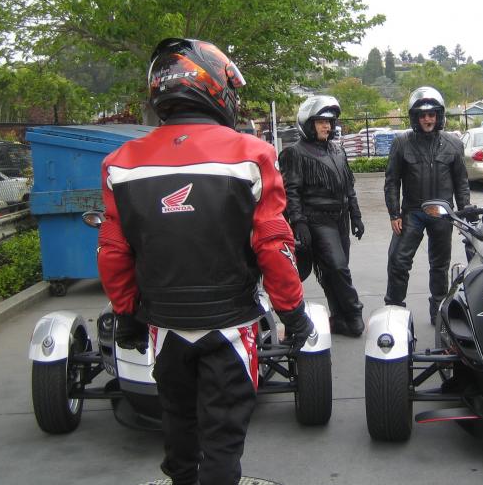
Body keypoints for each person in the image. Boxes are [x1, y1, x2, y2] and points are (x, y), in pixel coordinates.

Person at [97, 38, 314, 485]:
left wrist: (127, 316)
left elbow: (114, 253)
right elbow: (274, 245)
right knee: (223, 436)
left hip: (164, 324)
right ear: (214, 85)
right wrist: (293, 313)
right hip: (230, 323)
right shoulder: (251, 153)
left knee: (178, 426)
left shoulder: (120, 163)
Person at [279, 95, 366, 337]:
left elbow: (349, 186)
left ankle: (340, 319)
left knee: (335, 272)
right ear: (308, 123)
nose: (327, 126)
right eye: (320, 121)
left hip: (341, 219)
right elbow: (291, 192)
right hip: (316, 220)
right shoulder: (294, 153)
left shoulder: (338, 151)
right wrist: (298, 223)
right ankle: (354, 313)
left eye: (330, 121)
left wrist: (356, 216)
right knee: (338, 268)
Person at [384, 86, 471, 325]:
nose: (427, 119)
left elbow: (461, 183)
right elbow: (392, 181)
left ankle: (439, 311)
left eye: (432, 114)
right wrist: (394, 212)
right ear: (415, 117)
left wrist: (464, 215)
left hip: (443, 213)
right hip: (412, 212)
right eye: (422, 115)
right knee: (398, 261)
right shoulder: (402, 143)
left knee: (440, 265)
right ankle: (393, 310)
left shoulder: (454, 144)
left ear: (439, 115)